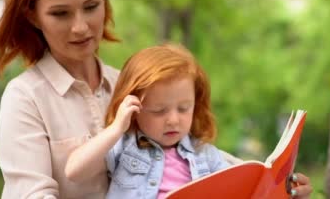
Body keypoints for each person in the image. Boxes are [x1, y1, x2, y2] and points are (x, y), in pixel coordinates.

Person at [0, 0, 313, 198]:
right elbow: (31, 195)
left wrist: (275, 184)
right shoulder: (26, 96)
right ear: (32, 16)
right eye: (60, 14)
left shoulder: (132, 83)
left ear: (105, 0)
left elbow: (199, 156)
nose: (81, 27)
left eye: (91, 7)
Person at [66, 43, 229, 198]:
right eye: (159, 111)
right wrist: (116, 128)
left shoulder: (205, 154)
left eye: (183, 108)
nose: (173, 120)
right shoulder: (126, 146)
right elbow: (74, 172)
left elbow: (237, 188)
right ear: (135, 110)